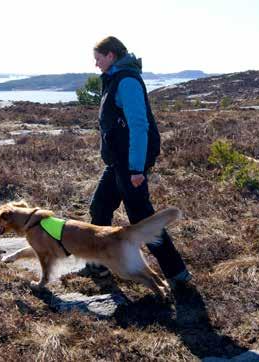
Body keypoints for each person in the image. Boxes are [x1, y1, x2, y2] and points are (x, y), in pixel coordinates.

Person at [85, 36, 191, 287]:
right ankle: (97, 266)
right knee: (99, 208)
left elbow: (139, 126)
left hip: (129, 164)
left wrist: (136, 168)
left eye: (98, 58)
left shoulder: (127, 81)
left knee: (142, 220)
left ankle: (177, 273)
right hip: (117, 163)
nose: (96, 64)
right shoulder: (114, 78)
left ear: (111, 55)